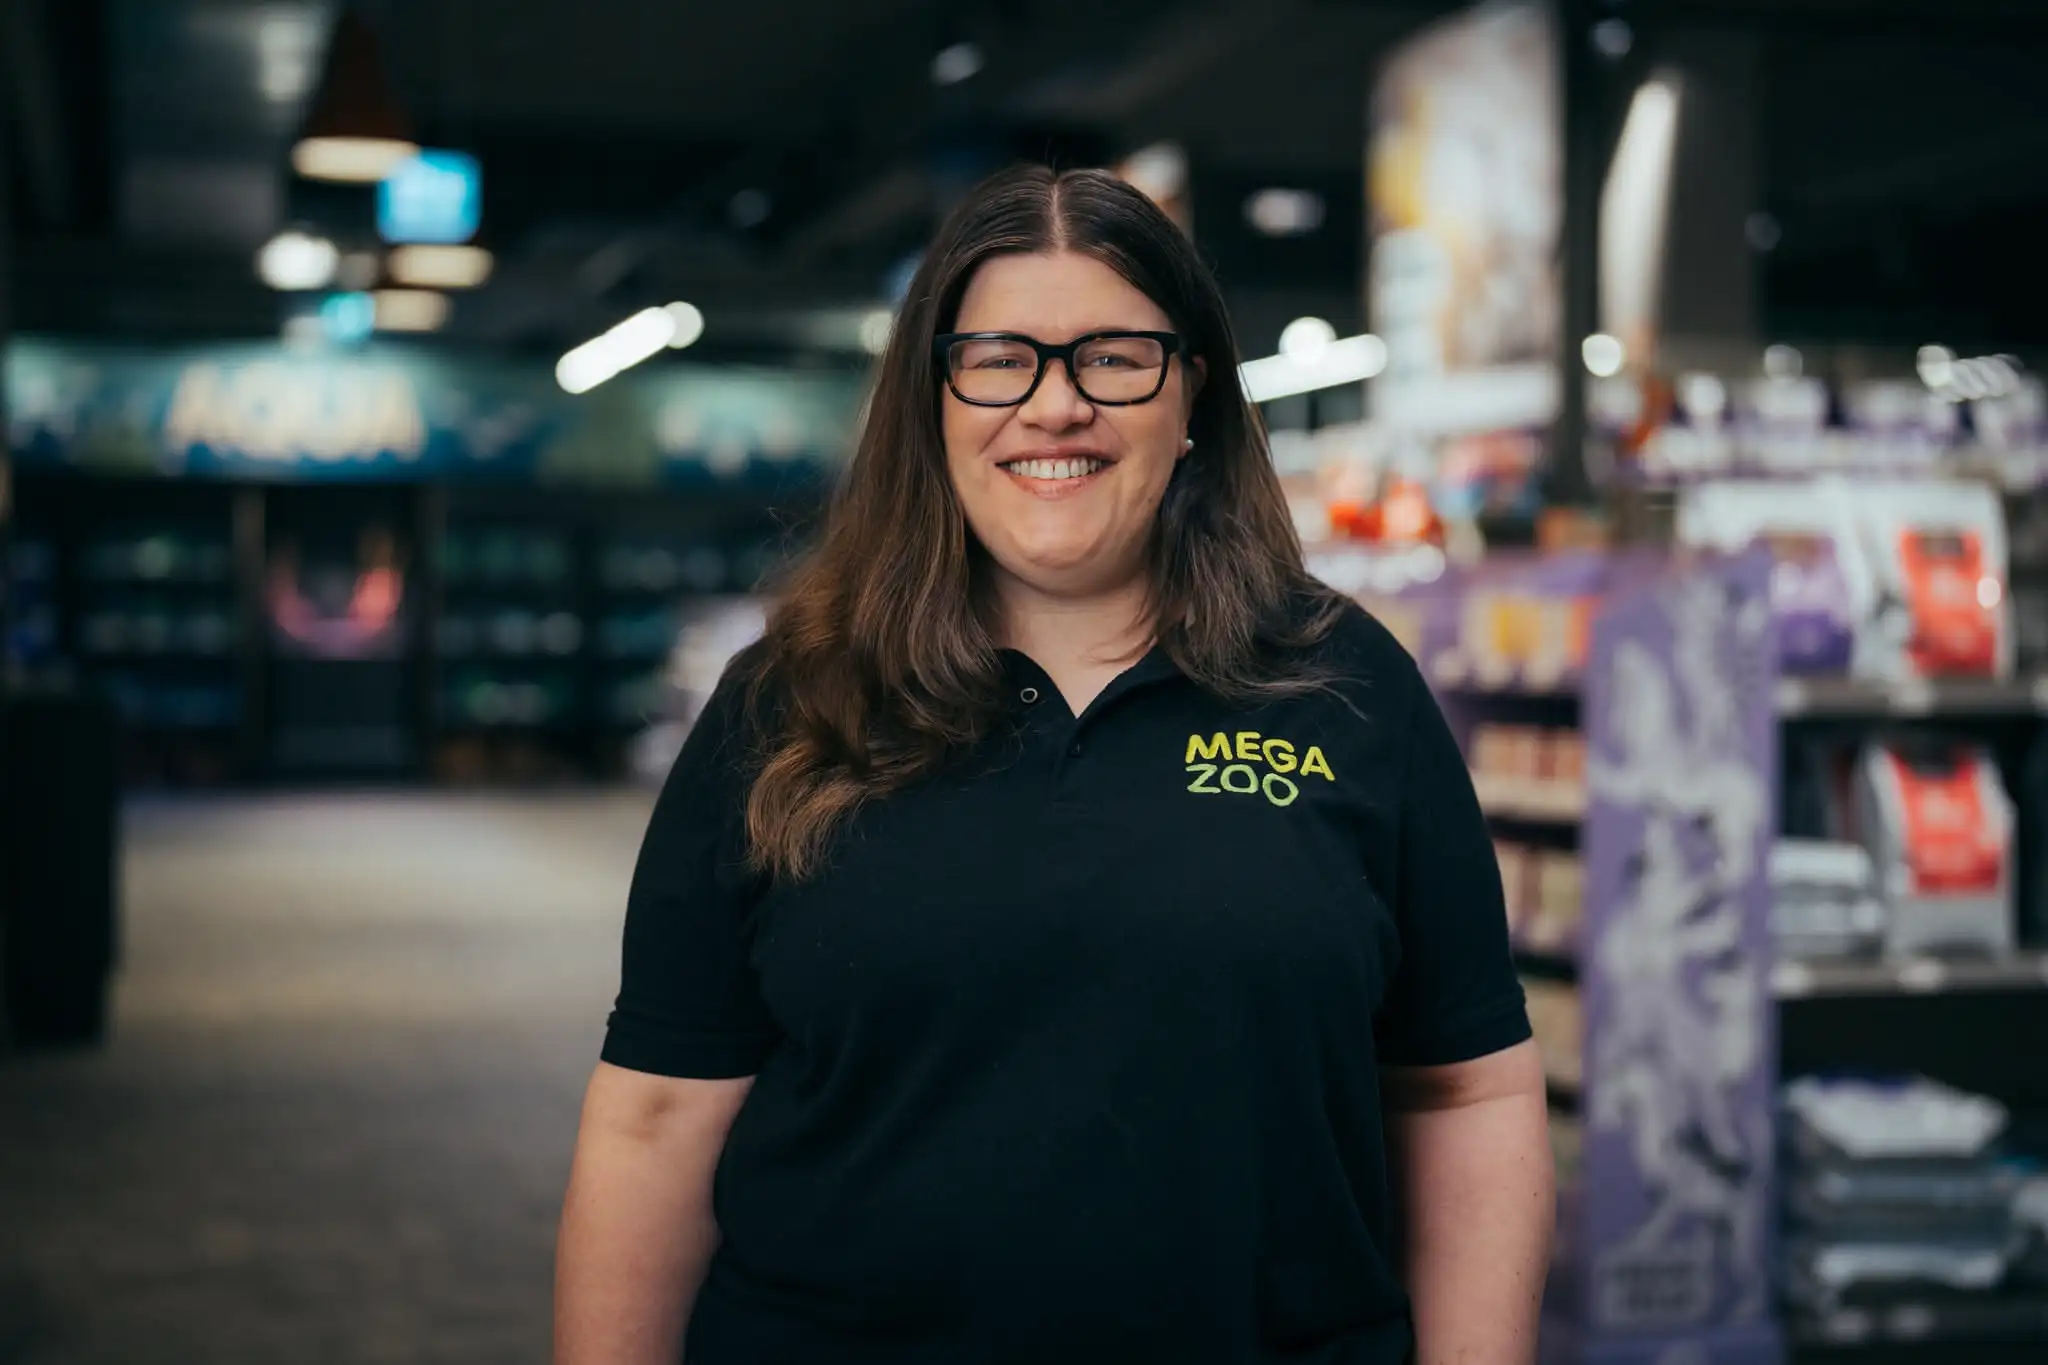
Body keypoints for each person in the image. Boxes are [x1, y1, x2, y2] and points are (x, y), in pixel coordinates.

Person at [555, 164, 1552, 1365]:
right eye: (997, 357)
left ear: (1191, 397)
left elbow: (1465, 1093)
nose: (1053, 404)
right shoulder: (787, 703)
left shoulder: (1345, 687)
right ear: (931, 400)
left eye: (1115, 356)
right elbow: (656, 1117)